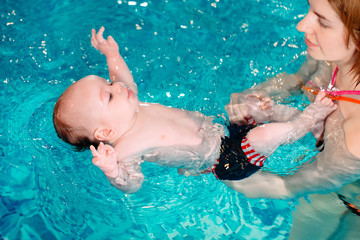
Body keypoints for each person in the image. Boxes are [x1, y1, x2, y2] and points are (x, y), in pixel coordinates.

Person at [52, 27, 336, 194]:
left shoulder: (130, 103)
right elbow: (133, 184)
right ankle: (310, 118)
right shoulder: (126, 148)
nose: (116, 86)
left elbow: (123, 78)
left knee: (249, 103)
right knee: (263, 137)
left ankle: (308, 126)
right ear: (106, 132)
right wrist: (115, 173)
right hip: (226, 160)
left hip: (224, 130)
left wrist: (111, 54)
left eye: (107, 82)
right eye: (109, 94)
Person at [225, 0, 360, 238]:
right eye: (310, 10)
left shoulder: (355, 139)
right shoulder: (334, 56)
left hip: (349, 199)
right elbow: (297, 80)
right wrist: (260, 95)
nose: (301, 25)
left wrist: (214, 160)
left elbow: (285, 186)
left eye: (322, 21)